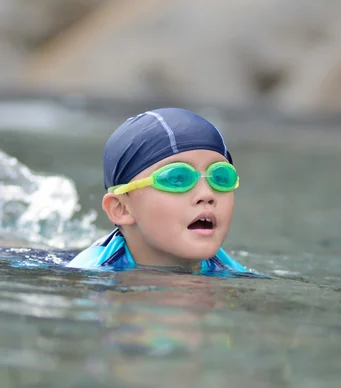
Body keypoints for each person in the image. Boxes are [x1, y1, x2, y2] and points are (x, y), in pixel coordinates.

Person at [67, 107, 250, 274]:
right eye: (177, 178)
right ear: (121, 208)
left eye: (221, 178)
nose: (206, 195)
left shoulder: (233, 273)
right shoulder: (86, 276)